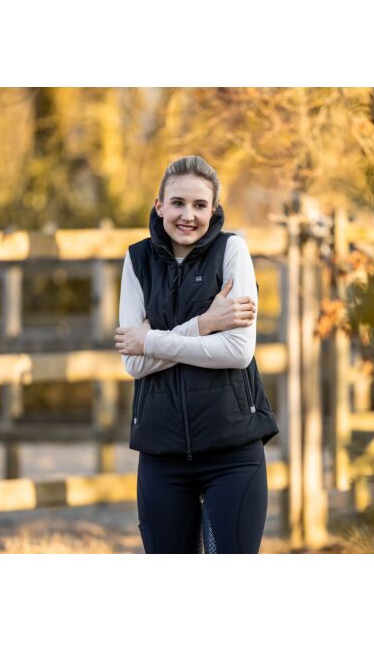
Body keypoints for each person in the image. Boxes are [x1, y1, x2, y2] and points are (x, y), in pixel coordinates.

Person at [114, 155, 279, 554]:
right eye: (178, 203)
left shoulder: (232, 251)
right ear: (159, 206)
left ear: (214, 210)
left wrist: (151, 341)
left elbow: (237, 351)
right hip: (161, 455)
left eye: (200, 205)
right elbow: (133, 362)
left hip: (233, 453)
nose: (188, 215)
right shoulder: (137, 260)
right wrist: (204, 325)